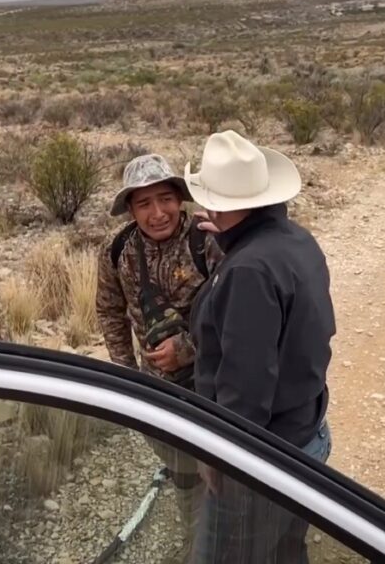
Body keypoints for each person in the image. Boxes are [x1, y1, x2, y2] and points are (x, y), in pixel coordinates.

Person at [183, 130, 337, 564]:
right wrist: (231, 242)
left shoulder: (248, 269)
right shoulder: (294, 241)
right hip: (306, 434)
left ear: (216, 203)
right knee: (286, 552)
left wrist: (222, 460)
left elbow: (244, 390)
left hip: (261, 462)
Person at [95, 153, 223, 564]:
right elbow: (109, 311)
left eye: (165, 199)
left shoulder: (209, 239)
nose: (157, 213)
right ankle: (197, 545)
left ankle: (228, 544)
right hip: (156, 392)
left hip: (215, 389)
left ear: (180, 198)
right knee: (185, 475)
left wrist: (187, 349)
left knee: (227, 473)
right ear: (131, 209)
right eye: (144, 203)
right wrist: (127, 377)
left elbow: (240, 321)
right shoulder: (117, 249)